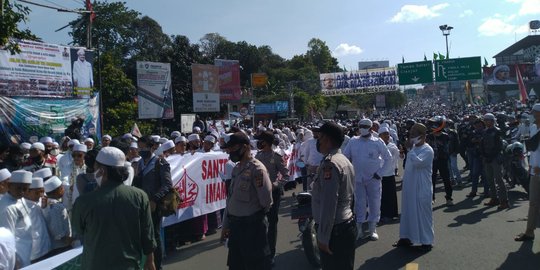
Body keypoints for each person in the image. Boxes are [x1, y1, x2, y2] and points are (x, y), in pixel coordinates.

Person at [71, 147, 157, 270]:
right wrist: (150, 261)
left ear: (102, 171)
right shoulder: (139, 196)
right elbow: (148, 235)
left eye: (95, 168)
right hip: (130, 265)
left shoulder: (84, 202)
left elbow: (79, 229)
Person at [220, 132, 273, 270]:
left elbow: (266, 201)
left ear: (244, 147)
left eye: (233, 148)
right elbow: (230, 199)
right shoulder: (236, 169)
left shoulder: (257, 169)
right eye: (229, 149)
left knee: (256, 265)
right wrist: (226, 224)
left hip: (252, 228)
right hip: (236, 227)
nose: (230, 151)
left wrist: (255, 218)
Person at [311, 122, 356, 270]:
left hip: (335, 230)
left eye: (320, 137)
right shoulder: (343, 160)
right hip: (345, 224)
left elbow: (329, 203)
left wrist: (323, 237)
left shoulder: (330, 164)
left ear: (328, 140)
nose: (318, 141)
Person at [344, 118, 391, 241]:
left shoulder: (377, 142)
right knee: (359, 203)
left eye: (365, 126)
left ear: (371, 128)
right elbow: (345, 157)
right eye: (361, 126)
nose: (362, 128)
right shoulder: (353, 141)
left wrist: (380, 173)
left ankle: (372, 229)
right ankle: (359, 229)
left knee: (374, 203)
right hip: (358, 179)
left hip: (373, 179)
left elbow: (388, 158)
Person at [393, 123, 434, 252]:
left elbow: (418, 163)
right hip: (410, 186)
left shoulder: (427, 150)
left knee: (422, 213)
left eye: (414, 134)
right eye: (411, 134)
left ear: (422, 136)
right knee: (408, 211)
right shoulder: (414, 148)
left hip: (422, 186)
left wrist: (410, 150)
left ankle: (426, 241)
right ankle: (406, 237)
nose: (411, 136)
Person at [134, 136, 173, 270]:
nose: (141, 150)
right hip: (140, 205)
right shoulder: (139, 163)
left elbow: (168, 185)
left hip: (154, 205)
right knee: (144, 235)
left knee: (154, 235)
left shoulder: (160, 162)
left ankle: (158, 265)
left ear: (152, 147)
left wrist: (155, 199)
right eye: (139, 147)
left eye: (144, 147)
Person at [254, 131, 289, 264]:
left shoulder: (276, 156)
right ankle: (261, 251)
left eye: (261, 140)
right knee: (260, 223)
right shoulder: (258, 155)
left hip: (273, 193)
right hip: (258, 193)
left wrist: (276, 185)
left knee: (272, 223)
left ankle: (271, 254)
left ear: (266, 142)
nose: (258, 143)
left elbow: (286, 175)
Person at [515, 104, 540, 241]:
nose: (532, 115)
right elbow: (533, 152)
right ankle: (529, 232)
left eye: (534, 112)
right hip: (534, 172)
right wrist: (530, 166)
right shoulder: (533, 128)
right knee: (533, 203)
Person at [0, 170, 34, 267]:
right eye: (18, 188)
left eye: (25, 189)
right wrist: (15, 261)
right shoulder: (7, 207)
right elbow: (7, 237)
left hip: (28, 251)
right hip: (18, 256)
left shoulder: (20, 199)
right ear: (9, 186)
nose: (21, 192)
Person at [481, 113, 509, 209]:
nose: (485, 121)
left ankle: (504, 201)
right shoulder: (484, 131)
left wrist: (491, 156)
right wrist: (484, 155)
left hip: (495, 158)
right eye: (485, 120)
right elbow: (482, 145)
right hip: (487, 158)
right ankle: (494, 198)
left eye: (487, 119)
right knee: (490, 179)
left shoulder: (497, 131)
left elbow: (499, 146)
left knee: (499, 180)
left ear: (492, 121)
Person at [426, 116, 454, 206]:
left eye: (434, 125)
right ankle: (432, 197)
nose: (431, 126)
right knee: (431, 180)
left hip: (443, 160)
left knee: (446, 180)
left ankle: (449, 198)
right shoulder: (429, 136)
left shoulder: (445, 136)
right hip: (432, 161)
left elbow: (449, 147)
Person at [43, 176, 73, 256]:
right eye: (62, 188)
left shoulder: (50, 204)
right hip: (61, 247)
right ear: (58, 190)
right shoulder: (55, 206)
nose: (64, 189)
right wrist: (66, 239)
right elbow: (56, 227)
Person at [24, 177, 51, 263]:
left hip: (46, 247)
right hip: (34, 252)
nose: (41, 195)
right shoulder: (21, 206)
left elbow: (47, 219)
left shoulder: (40, 201)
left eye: (42, 192)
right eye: (37, 192)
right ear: (28, 192)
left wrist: (45, 208)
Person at [379, 127, 400, 223]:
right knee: (381, 195)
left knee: (390, 195)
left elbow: (396, 159)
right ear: (380, 135)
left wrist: (395, 168)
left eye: (387, 134)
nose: (387, 136)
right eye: (384, 134)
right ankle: (382, 214)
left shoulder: (392, 146)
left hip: (390, 174)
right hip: (380, 174)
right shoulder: (377, 145)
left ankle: (391, 214)